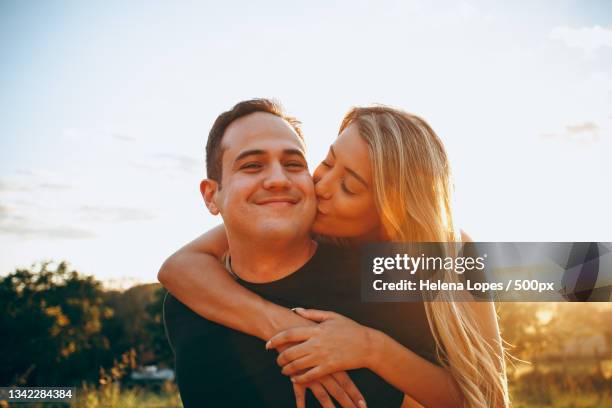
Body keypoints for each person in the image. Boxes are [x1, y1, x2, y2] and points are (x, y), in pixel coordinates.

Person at [161, 100, 509, 407]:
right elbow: (178, 267)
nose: (321, 186)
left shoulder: (441, 257)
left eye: (349, 187)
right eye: (327, 163)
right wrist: (285, 326)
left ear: (389, 214)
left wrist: (372, 348)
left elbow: (489, 398)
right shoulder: (297, 218)